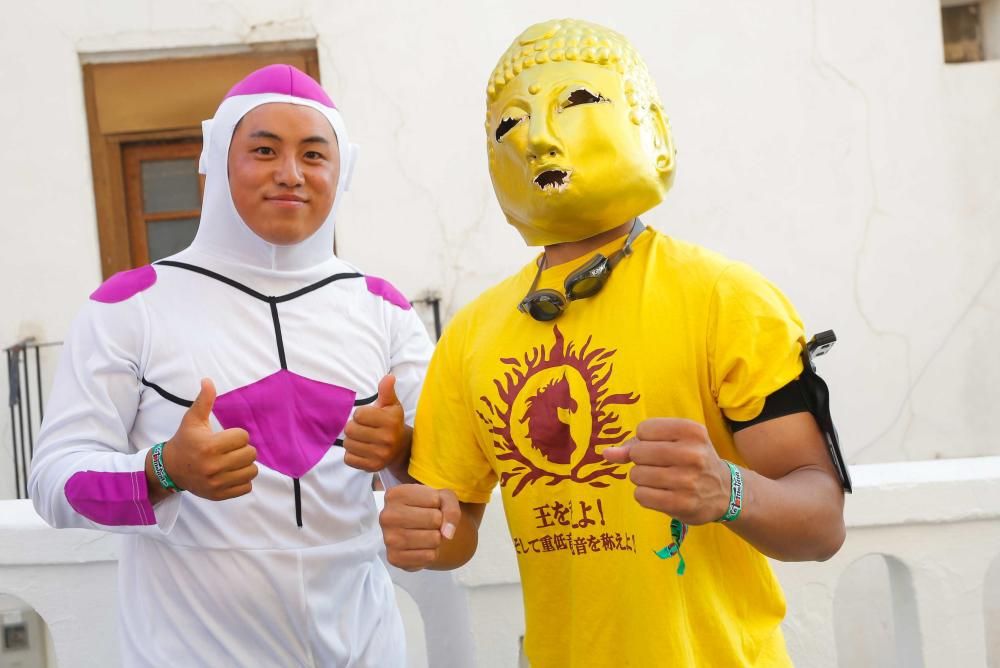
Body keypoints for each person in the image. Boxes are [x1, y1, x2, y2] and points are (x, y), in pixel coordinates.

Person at [380, 18, 848, 667]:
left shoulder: (727, 299)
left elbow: (822, 523)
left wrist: (728, 490)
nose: (538, 137)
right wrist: (416, 518)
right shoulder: (472, 333)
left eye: (576, 101)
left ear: (652, 130)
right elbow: (454, 530)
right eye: (510, 124)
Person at [29, 64, 433, 666]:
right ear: (217, 161)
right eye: (264, 150)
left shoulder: (384, 308)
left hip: (367, 648)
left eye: (314, 155)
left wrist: (400, 450)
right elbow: (53, 484)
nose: (291, 175)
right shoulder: (129, 305)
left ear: (341, 170)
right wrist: (163, 470)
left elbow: (442, 484)